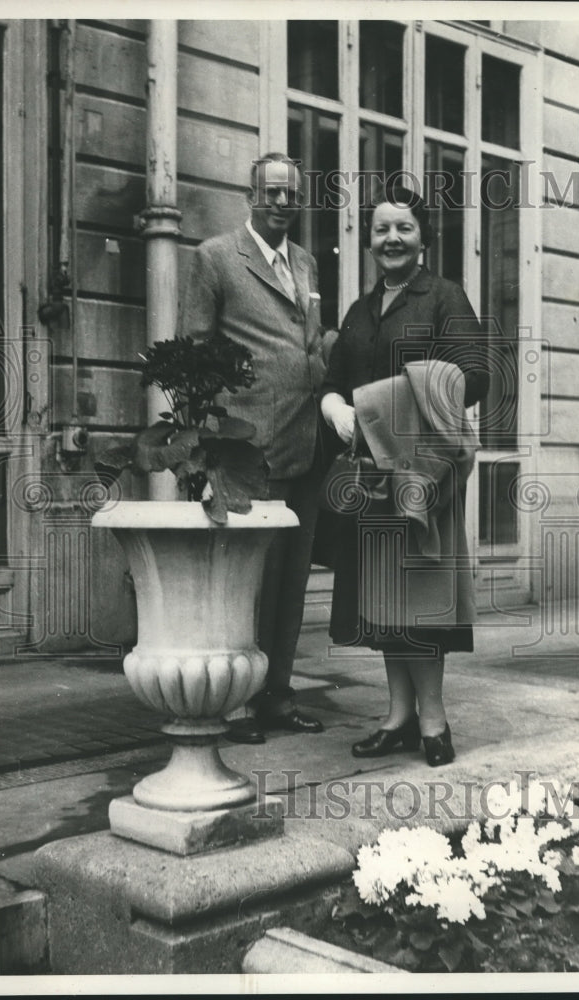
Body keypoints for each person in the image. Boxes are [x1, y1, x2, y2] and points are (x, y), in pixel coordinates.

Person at [319, 185, 489, 767]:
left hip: (423, 472)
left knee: (422, 597)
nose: (391, 239)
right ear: (367, 240)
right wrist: (337, 407)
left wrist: (381, 401)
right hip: (370, 477)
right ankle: (398, 717)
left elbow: (473, 375)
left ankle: (434, 721)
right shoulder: (360, 312)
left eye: (404, 229)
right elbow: (334, 380)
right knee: (384, 598)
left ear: (423, 239)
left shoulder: (443, 297)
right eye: (381, 229)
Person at [179, 152, 326, 744]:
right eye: (272, 193)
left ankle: (279, 696)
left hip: (307, 442)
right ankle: (238, 703)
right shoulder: (215, 258)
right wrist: (202, 453)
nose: (284, 204)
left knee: (291, 581)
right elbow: (194, 355)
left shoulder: (307, 263)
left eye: (292, 194)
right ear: (250, 196)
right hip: (246, 452)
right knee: (246, 581)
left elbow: (307, 341)